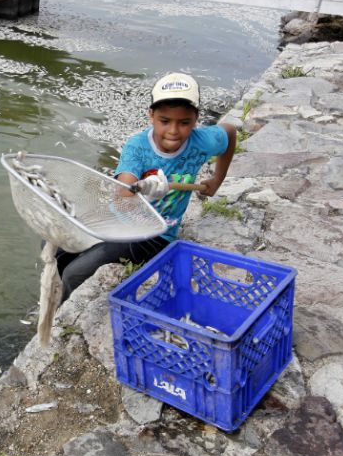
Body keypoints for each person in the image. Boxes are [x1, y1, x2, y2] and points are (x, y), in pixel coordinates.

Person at [55, 72, 236, 303]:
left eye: (184, 123)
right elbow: (122, 194)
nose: (173, 131)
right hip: (117, 218)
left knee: (75, 273)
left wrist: (217, 180)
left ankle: (62, 314)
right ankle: (59, 293)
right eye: (164, 121)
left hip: (154, 233)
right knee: (58, 246)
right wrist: (140, 192)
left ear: (196, 119)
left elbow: (230, 132)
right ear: (151, 115)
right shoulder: (137, 147)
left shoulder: (202, 142)